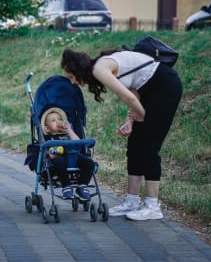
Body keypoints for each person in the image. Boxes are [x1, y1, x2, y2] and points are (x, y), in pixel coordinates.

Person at [61, 48, 182, 220]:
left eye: (71, 77)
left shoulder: (99, 69)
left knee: (148, 148)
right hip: (150, 90)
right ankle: (132, 201)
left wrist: (142, 114)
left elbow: (130, 99)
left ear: (78, 70)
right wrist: (131, 121)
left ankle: (152, 205)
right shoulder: (101, 66)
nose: (72, 82)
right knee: (134, 147)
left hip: (164, 87)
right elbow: (133, 91)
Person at [41, 107, 94, 201]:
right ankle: (66, 185)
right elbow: (48, 152)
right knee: (58, 162)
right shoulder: (49, 138)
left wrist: (69, 130)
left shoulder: (68, 134)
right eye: (53, 120)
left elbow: (78, 143)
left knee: (89, 163)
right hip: (60, 159)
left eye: (60, 119)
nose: (58, 121)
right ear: (47, 128)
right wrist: (50, 154)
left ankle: (82, 186)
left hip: (75, 157)